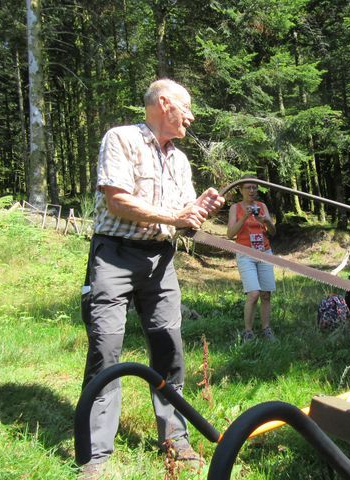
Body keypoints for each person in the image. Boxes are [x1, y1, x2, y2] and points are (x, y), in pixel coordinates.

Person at [78, 78, 224, 478]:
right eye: (187, 108)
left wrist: (197, 211)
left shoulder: (180, 160)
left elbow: (182, 219)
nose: (191, 117)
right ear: (164, 103)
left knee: (169, 349)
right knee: (105, 352)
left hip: (160, 260)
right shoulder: (121, 139)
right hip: (114, 256)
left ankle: (175, 439)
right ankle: (96, 455)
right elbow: (117, 200)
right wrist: (175, 216)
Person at [226, 179, 277, 342]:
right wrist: (245, 217)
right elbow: (230, 234)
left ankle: (266, 329)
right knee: (254, 293)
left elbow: (273, 232)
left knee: (266, 294)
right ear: (241, 190)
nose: (252, 191)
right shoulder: (235, 208)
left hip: (264, 252)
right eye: (248, 188)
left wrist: (266, 221)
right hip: (245, 254)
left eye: (254, 188)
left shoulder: (262, 206)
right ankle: (248, 331)